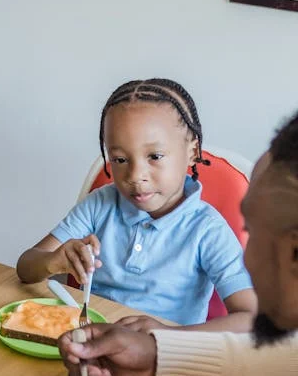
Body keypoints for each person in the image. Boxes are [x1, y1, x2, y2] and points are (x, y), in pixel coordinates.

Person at [57, 110, 298, 376]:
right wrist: (156, 356)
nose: (246, 258)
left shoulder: (207, 227)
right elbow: (280, 366)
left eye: (251, 230)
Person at [17, 79, 256, 331]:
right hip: (92, 341)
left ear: (192, 151)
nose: (135, 175)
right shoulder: (100, 204)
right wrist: (53, 261)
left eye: (155, 156)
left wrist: (168, 335)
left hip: (166, 357)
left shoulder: (207, 229)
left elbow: (250, 319)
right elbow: (25, 267)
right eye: (120, 159)